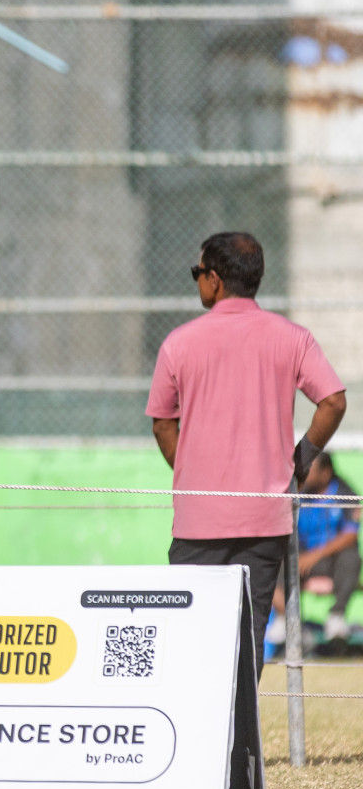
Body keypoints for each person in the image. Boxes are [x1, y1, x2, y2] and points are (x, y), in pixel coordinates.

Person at [147, 231, 346, 662]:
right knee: (247, 635)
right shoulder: (293, 337)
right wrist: (302, 459)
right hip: (264, 516)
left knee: (189, 634)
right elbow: (332, 402)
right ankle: (240, 730)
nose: (198, 281)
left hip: (199, 517)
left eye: (197, 273)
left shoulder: (179, 343)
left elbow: (163, 423)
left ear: (214, 279)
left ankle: (195, 726)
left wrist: (190, 472)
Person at [269, 453, 359, 645]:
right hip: (301, 559)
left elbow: (351, 535)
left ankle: (336, 618)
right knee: (275, 558)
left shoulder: (344, 493)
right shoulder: (297, 492)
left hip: (331, 561)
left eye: (309, 471)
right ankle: (288, 620)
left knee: (351, 557)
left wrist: (314, 556)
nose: (304, 475)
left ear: (325, 473)